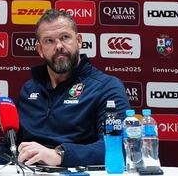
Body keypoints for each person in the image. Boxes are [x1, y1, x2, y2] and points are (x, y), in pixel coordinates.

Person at [11, 9, 130, 168]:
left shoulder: (106, 87)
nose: (59, 46)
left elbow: (120, 146)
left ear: (79, 41)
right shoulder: (28, 90)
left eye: (65, 37)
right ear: (39, 49)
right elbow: (9, 147)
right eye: (49, 41)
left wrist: (60, 155)